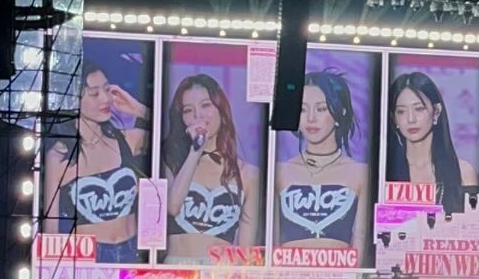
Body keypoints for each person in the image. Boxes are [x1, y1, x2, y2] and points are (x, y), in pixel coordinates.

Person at [44, 64, 150, 261]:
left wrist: (138, 109)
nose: (105, 99)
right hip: (88, 259)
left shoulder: (126, 140)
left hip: (133, 252)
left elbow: (174, 138)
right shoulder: (59, 156)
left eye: (107, 89)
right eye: (94, 93)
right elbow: (51, 228)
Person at [163, 74, 260, 257]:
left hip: (220, 271)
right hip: (176, 269)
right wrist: (195, 150)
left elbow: (245, 251)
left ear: (221, 111)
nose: (198, 115)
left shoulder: (248, 174)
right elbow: (172, 206)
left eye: (206, 105)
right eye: (188, 110)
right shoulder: (171, 162)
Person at [275, 70, 369, 258]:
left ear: (340, 112)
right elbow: (272, 241)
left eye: (321, 109)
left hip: (340, 275)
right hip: (287, 274)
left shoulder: (360, 173)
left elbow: (360, 239)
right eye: (303, 109)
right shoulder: (279, 172)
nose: (311, 118)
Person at [387, 71, 476, 213]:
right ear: (394, 118)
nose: (411, 119)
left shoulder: (463, 172)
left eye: (419, 109)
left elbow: (471, 223)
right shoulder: (385, 171)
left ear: (436, 111)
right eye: (401, 111)